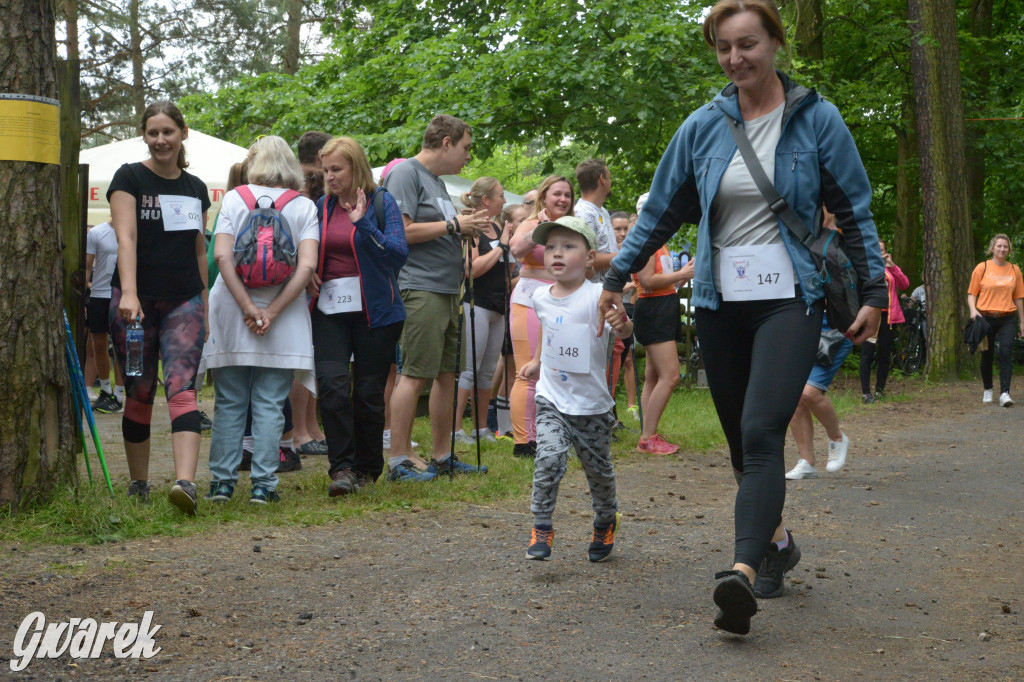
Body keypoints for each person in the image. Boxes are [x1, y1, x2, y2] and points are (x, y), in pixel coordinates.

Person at [598, 0, 886, 634]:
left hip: (792, 299)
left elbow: (854, 210)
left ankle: (741, 575)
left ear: (776, 43)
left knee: (761, 431)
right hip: (719, 302)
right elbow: (659, 214)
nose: (736, 58)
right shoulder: (702, 126)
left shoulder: (818, 120)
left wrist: (875, 294)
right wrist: (616, 277)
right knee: (740, 442)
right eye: (724, 47)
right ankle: (778, 545)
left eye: (748, 44)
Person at [201, 135, 319, 504]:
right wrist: (271, 311)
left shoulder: (235, 198)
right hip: (283, 317)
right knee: (270, 402)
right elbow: (308, 266)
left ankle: (222, 482)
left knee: (230, 399)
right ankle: (264, 485)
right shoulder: (304, 206)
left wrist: (248, 309)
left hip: (232, 311)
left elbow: (221, 257)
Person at [108, 100, 213, 515]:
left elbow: (199, 250)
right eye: (153, 132)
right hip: (135, 300)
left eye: (168, 131)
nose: (160, 140)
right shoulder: (129, 177)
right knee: (139, 389)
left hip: (183, 298)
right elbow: (126, 238)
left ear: (182, 134)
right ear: (145, 136)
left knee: (182, 386)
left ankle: (185, 483)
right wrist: (130, 292)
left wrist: (204, 300)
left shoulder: (195, 187)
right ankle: (138, 483)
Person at [517, 216, 633, 562]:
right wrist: (538, 361)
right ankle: (541, 525)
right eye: (551, 246)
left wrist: (622, 323)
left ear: (589, 258)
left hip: (592, 405)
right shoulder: (540, 297)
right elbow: (551, 333)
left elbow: (625, 332)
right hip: (552, 398)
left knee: (598, 470)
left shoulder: (599, 294)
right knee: (549, 458)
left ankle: (604, 520)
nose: (556, 253)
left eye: (568, 246)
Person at [383, 115, 489, 481]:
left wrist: (462, 225)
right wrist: (454, 225)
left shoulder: (438, 183)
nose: (468, 157)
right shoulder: (406, 173)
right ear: (446, 142)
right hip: (420, 288)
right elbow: (401, 231)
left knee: (447, 374)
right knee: (413, 375)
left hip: (447, 290)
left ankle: (442, 456)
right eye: (465, 148)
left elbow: (439, 228)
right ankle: (398, 460)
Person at [304, 137, 409, 495]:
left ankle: (366, 468)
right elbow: (310, 248)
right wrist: (309, 271)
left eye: (336, 169)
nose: (329, 177)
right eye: (325, 170)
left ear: (355, 168)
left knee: (367, 392)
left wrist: (363, 223)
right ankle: (342, 468)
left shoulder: (382, 201)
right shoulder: (320, 206)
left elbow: (397, 255)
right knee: (332, 386)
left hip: (375, 312)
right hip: (329, 310)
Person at [508, 175, 575, 457]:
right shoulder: (532, 223)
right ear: (544, 197)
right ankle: (524, 441)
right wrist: (543, 227)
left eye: (568, 195)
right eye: (557, 194)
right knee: (528, 370)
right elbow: (515, 249)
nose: (562, 199)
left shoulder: (573, 227)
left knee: (558, 370)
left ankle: (550, 433)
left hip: (564, 302)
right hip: (530, 301)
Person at [452, 177, 510, 444]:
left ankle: (480, 428)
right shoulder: (472, 226)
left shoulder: (497, 226)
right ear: (485, 200)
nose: (504, 200)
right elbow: (471, 269)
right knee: (469, 370)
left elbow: (503, 264)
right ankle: (455, 430)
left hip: (498, 306)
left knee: (487, 371)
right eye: (500, 195)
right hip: (477, 304)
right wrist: (502, 249)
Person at [291, 130, 333, 455]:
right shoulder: (304, 186)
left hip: (317, 277)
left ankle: (311, 426)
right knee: (302, 357)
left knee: (313, 355)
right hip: (305, 278)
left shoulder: (310, 183)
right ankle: (299, 431)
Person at [632, 241, 694, 454]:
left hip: (664, 307)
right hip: (654, 310)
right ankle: (648, 438)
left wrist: (685, 275)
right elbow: (646, 280)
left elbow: (665, 283)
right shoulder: (647, 242)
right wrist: (681, 274)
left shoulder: (661, 244)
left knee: (654, 376)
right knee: (671, 376)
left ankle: (648, 435)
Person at [785, 314, 853, 479]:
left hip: (833, 328)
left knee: (810, 392)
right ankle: (807, 462)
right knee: (794, 396)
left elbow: (870, 291)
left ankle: (837, 438)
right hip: (797, 328)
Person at [967, 233, 1024, 407]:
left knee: (1006, 353)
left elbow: (1019, 298)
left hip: (1007, 318)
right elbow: (972, 294)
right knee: (987, 355)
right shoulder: (982, 268)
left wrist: (1022, 321)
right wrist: (973, 310)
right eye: (999, 246)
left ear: (1009, 250)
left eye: (1005, 246)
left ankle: (1005, 393)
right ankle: (988, 389)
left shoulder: (1015, 270)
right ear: (992, 248)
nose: (1002, 249)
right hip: (985, 317)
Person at [860, 240, 909, 403]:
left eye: (882, 250)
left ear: (886, 252)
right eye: (876, 249)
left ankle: (880, 390)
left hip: (889, 317)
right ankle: (866, 393)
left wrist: (891, 265)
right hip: (871, 317)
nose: (879, 253)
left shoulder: (890, 268)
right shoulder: (865, 265)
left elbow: (905, 284)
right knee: (867, 353)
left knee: (884, 354)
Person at [86, 218, 125, 413]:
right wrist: (85, 295)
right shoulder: (96, 232)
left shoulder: (133, 231)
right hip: (99, 295)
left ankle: (118, 394)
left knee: (120, 346)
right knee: (98, 344)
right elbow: (87, 266)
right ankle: (105, 389)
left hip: (122, 295)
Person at [610, 211, 638, 420]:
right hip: (613, 308)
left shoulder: (634, 253)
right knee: (616, 356)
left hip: (631, 308)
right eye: (616, 229)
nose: (622, 234)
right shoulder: (606, 255)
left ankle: (630, 404)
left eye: (624, 229)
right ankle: (610, 410)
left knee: (626, 357)